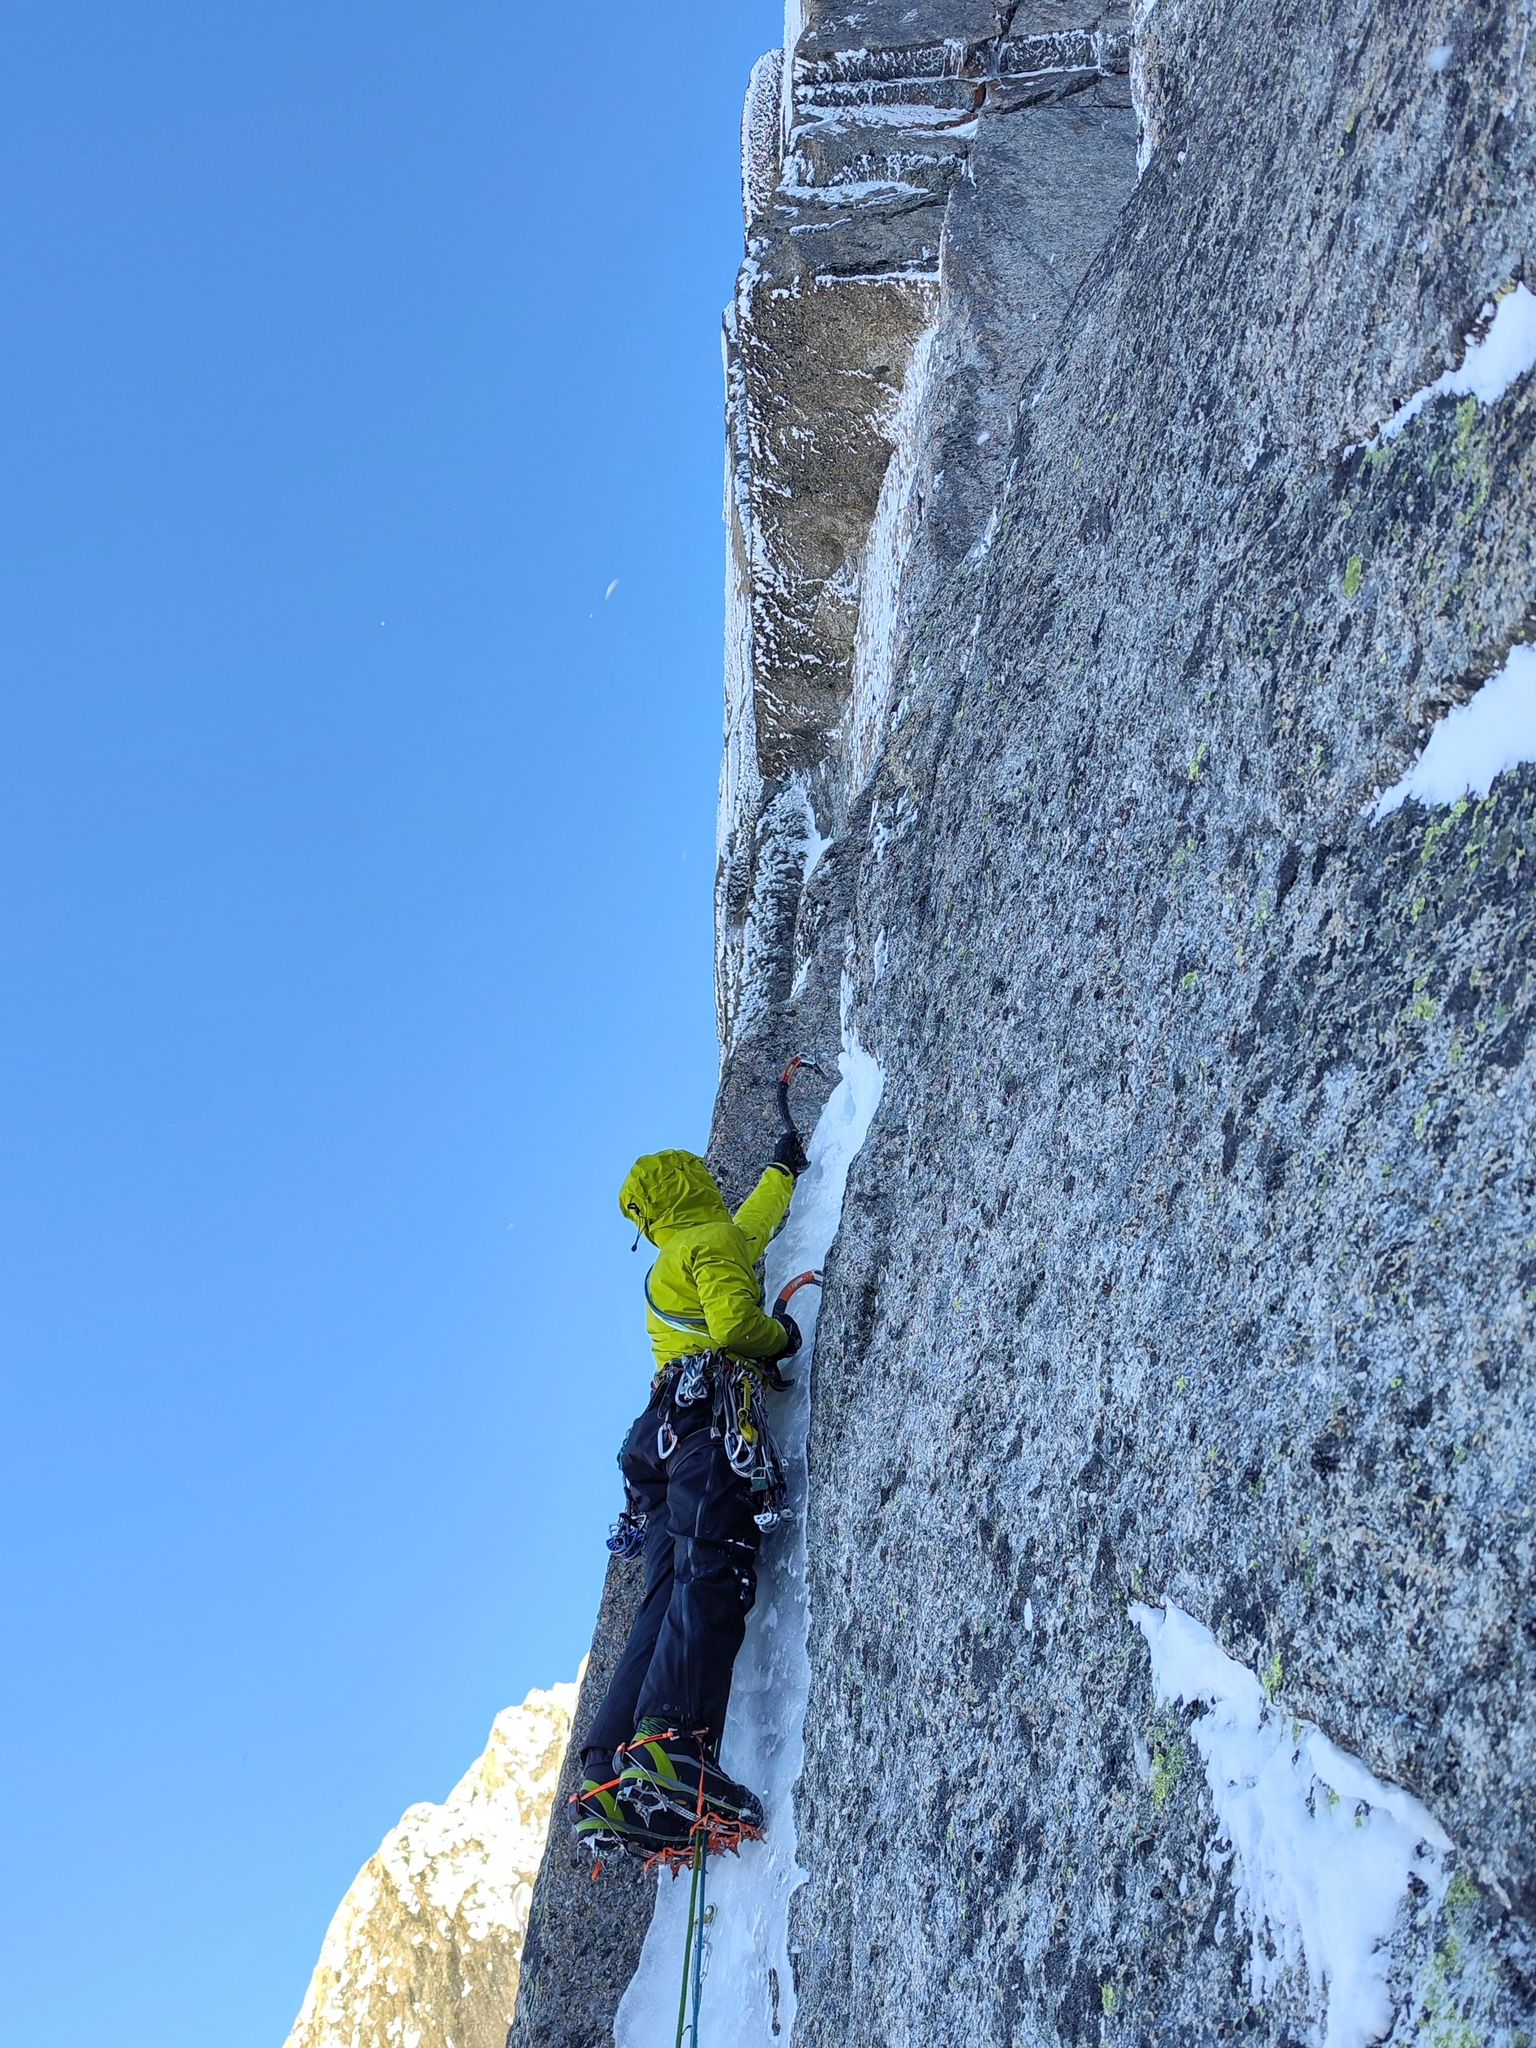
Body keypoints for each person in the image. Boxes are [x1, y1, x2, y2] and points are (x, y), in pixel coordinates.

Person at [569, 1131, 808, 1857]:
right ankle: (670, 1740)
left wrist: (781, 1172)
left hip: (662, 1440)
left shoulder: (680, 1251)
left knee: (664, 1595)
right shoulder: (708, 1241)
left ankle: (609, 1770)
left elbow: (749, 1228)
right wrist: (783, 1338)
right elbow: (736, 1322)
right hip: (709, 1428)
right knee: (714, 1568)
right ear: (690, 1184)